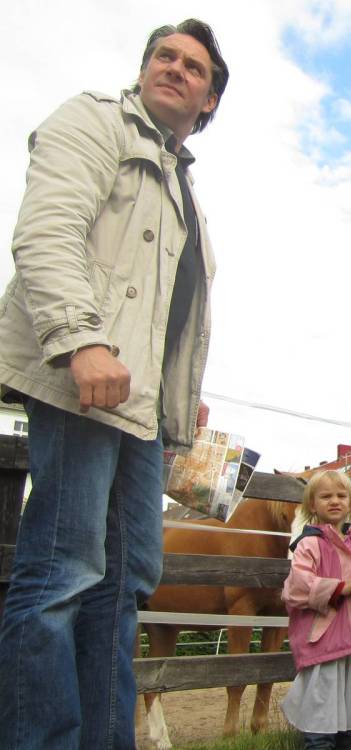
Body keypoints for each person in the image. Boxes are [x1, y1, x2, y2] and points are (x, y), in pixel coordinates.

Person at [0, 19, 227, 749]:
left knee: (124, 585)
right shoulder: (94, 120)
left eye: (194, 67)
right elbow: (47, 231)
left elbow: (164, 315)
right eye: (164, 55)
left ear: (209, 102)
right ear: (143, 70)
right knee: (63, 571)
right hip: (84, 381)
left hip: (138, 411)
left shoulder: (183, 190)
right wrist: (81, 340)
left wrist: (177, 393)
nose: (175, 68)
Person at [282, 470, 351, 749]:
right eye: (326, 496)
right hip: (323, 641)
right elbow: (296, 587)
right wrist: (338, 588)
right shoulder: (308, 545)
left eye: (341, 495)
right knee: (320, 707)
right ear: (312, 505)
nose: (334, 501)